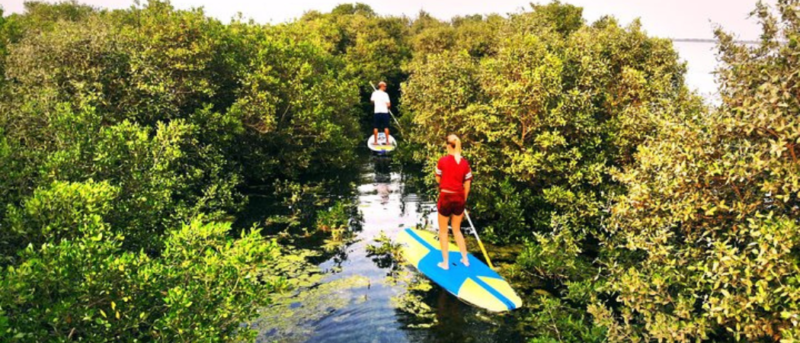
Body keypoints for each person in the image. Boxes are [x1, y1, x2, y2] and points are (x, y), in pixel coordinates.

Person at [435, 134, 472, 270]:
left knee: (443, 232)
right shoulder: (465, 163)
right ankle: (465, 259)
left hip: (446, 197)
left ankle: (445, 263)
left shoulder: (442, 161)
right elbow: (467, 185)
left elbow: (438, 180)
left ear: (447, 145)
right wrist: (463, 200)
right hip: (459, 199)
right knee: (457, 230)